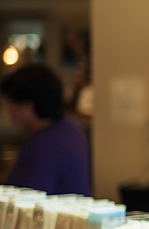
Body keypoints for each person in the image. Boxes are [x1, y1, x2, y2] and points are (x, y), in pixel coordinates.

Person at [1, 63, 91, 196]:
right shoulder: (71, 127)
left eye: (11, 105)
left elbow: (21, 203)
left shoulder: (41, 145)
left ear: (27, 107)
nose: (10, 112)